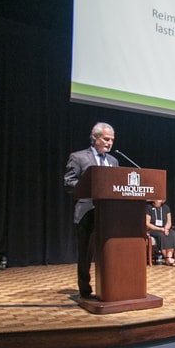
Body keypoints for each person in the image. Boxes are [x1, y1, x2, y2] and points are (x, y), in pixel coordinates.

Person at [64, 122, 117, 299]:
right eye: (106, 139)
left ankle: (110, 286)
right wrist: (90, 186)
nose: (109, 143)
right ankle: (85, 290)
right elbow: (69, 182)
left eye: (112, 140)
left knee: (110, 252)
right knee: (86, 254)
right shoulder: (78, 157)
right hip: (87, 213)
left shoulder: (113, 161)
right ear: (94, 138)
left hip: (109, 214)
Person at [146, 199, 175, 265]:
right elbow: (147, 223)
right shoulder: (149, 207)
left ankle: (169, 257)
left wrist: (166, 228)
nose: (160, 200)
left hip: (164, 228)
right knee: (161, 235)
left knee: (172, 233)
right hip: (153, 229)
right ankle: (167, 258)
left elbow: (169, 221)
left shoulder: (166, 207)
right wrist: (160, 229)